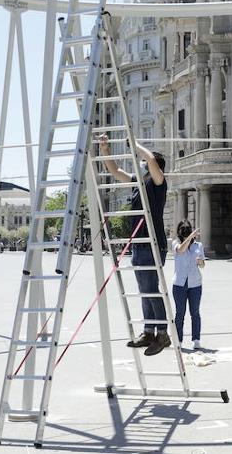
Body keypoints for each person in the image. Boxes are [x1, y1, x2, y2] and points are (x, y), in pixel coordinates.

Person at [99, 134, 171, 357]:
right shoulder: (137, 183)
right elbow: (115, 171)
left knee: (151, 290)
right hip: (138, 244)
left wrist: (136, 144)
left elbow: (149, 160)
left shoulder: (157, 182)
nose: (140, 164)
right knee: (144, 291)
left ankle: (163, 334)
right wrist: (105, 150)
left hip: (153, 243)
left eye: (144, 163)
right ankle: (149, 332)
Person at [170, 220, 206, 350]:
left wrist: (201, 262)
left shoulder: (198, 245)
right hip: (179, 283)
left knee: (195, 312)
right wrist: (190, 236)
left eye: (188, 229)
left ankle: (196, 339)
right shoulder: (175, 243)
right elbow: (181, 250)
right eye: (183, 229)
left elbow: (202, 265)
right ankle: (178, 340)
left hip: (195, 283)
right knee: (180, 313)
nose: (186, 231)